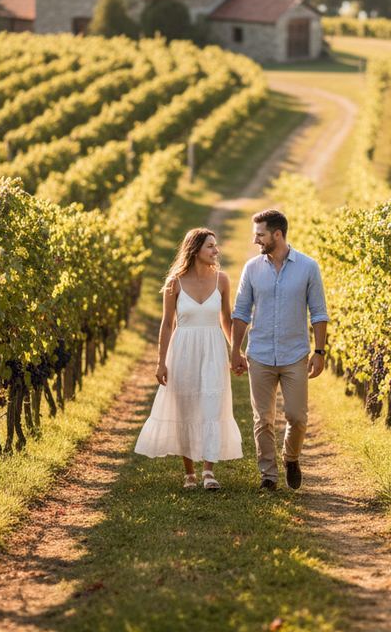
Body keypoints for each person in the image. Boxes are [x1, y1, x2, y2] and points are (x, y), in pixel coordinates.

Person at [134, 227, 243, 490]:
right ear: (195, 250)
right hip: (182, 349)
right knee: (186, 406)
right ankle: (189, 473)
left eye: (216, 246)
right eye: (210, 246)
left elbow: (226, 320)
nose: (216, 251)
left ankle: (208, 471)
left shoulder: (223, 280)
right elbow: (167, 325)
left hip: (213, 348)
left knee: (211, 405)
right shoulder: (175, 283)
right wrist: (161, 361)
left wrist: (235, 351)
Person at [231, 208, 328, 492]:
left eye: (260, 235)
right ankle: (268, 475)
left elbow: (319, 313)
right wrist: (235, 350)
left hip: (294, 354)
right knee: (263, 419)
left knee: (297, 417)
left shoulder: (308, 267)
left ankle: (291, 458)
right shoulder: (251, 269)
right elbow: (241, 312)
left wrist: (319, 352)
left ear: (277, 234)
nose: (255, 241)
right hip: (259, 353)